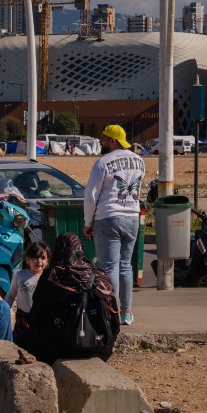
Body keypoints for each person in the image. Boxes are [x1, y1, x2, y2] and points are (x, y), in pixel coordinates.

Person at [14, 233, 120, 363]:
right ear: (80, 250)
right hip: (101, 348)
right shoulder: (100, 276)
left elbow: (36, 315)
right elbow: (115, 321)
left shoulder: (52, 276)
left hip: (60, 349)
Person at [83, 124, 145, 326]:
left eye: (103, 138)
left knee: (109, 268)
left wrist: (87, 222)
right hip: (132, 217)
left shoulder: (103, 163)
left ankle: (112, 312)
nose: (100, 141)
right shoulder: (139, 161)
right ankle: (127, 312)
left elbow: (91, 196)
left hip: (108, 217)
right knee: (126, 266)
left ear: (113, 141)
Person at [5, 242, 50, 315]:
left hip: (41, 319)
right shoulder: (20, 275)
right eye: (35, 257)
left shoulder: (48, 278)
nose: (39, 261)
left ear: (47, 261)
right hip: (22, 318)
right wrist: (5, 310)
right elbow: (11, 295)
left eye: (43, 258)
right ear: (27, 260)